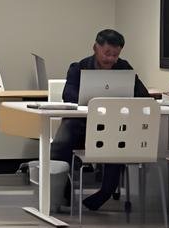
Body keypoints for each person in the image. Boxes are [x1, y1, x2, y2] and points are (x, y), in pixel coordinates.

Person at [49, 29, 152, 211]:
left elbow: (142, 95)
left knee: (118, 139)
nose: (111, 59)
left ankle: (105, 192)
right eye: (107, 53)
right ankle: (61, 192)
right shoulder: (79, 67)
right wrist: (94, 100)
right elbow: (68, 94)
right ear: (95, 48)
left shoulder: (124, 68)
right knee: (63, 139)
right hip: (81, 125)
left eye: (115, 55)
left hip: (114, 126)